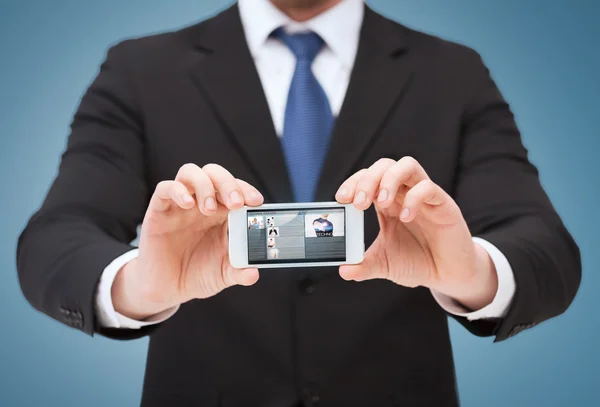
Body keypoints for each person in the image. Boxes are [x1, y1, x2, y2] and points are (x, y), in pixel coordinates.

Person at [16, 1, 581, 406]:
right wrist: (141, 286)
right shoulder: (139, 70)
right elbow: (56, 237)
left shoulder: (453, 72)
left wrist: (473, 271)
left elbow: (544, 245)